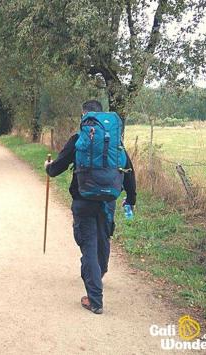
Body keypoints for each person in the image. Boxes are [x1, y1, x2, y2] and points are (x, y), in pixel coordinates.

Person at [44, 100, 136, 315]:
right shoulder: (115, 142)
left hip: (83, 200)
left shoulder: (78, 139)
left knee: (89, 247)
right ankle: (99, 273)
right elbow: (128, 171)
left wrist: (48, 168)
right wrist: (130, 198)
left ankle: (95, 300)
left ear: (83, 116)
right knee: (103, 241)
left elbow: (57, 168)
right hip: (107, 201)